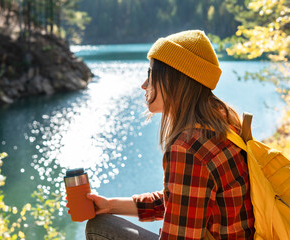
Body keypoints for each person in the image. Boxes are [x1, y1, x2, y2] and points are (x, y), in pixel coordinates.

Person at [73, 30, 255, 239]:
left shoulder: (189, 149)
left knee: (99, 228)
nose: (144, 84)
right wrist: (110, 205)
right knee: (104, 217)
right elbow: (183, 200)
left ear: (174, 80)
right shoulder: (223, 124)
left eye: (151, 73)